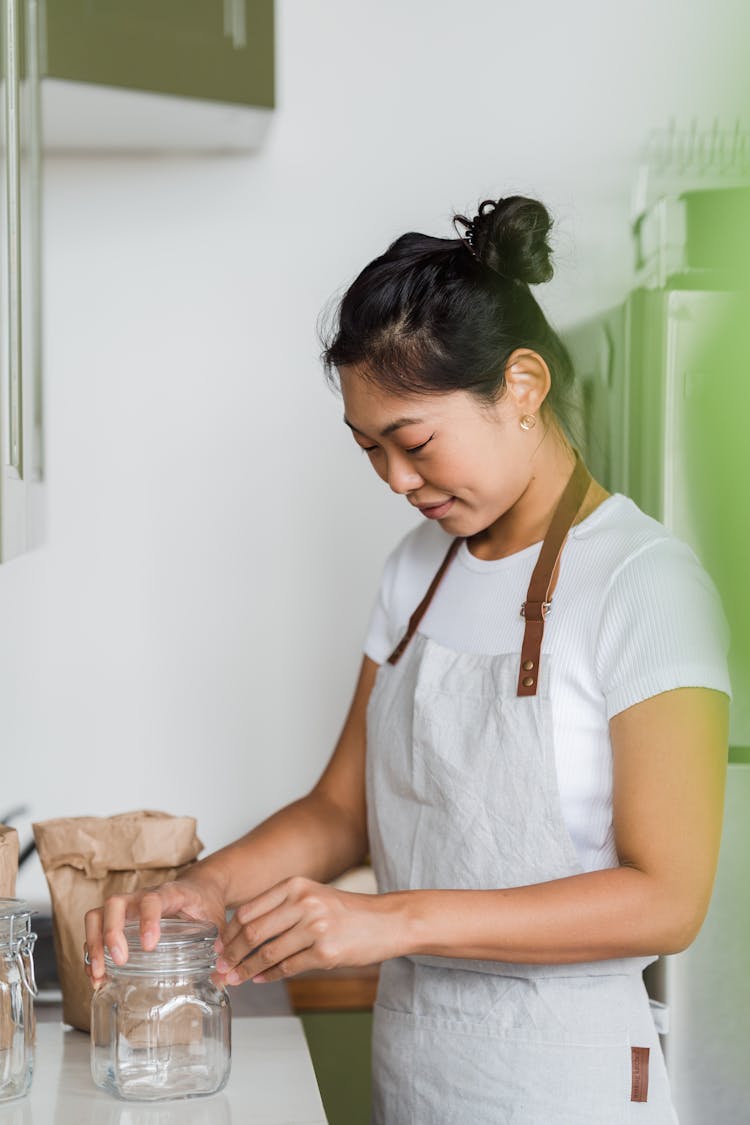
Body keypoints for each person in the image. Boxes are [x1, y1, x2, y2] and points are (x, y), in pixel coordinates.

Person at [84, 195, 731, 1123]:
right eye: (368, 448)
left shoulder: (644, 585)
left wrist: (391, 919)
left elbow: (667, 898)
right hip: (419, 1071)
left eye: (413, 442)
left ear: (522, 386)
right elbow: (341, 810)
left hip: (569, 1086)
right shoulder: (415, 571)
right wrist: (201, 888)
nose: (394, 479)